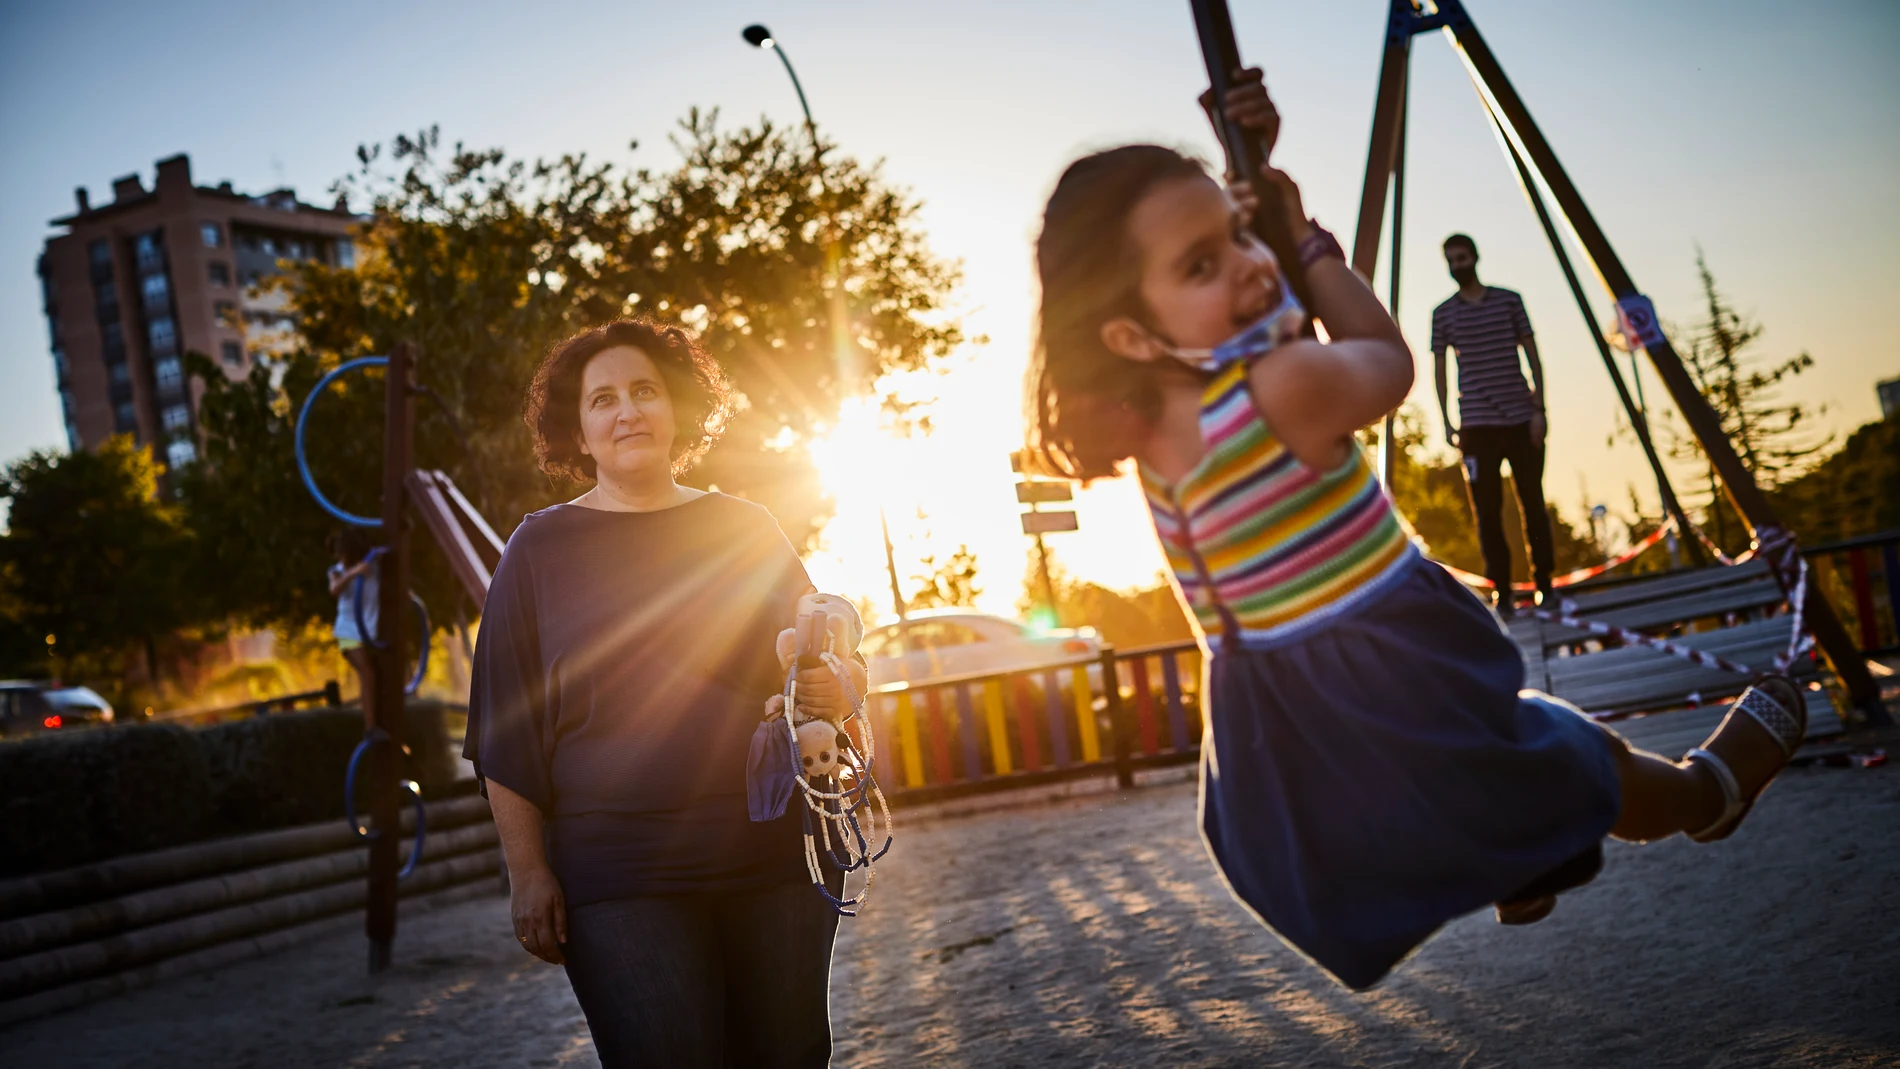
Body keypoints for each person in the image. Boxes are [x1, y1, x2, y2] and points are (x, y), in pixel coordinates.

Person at [1021, 69, 1809, 991]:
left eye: (1237, 234)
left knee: (1502, 765)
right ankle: (1703, 796)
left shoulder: (1152, 433)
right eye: (1201, 262)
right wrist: (1304, 240)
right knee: (1573, 753)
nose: (1243, 263)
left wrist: (1255, 175)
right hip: (1390, 675)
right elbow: (1386, 362)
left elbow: (1252, 319)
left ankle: (1514, 852)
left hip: (1290, 733)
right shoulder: (1285, 389)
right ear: (1129, 333)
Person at [465, 318, 867, 1067]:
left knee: (788, 1056)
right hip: (617, 866)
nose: (628, 412)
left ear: (677, 406)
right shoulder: (536, 550)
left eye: (646, 390)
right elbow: (500, 731)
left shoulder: (745, 528)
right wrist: (528, 871)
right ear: (578, 432)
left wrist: (829, 678)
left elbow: (838, 677)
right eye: (604, 399)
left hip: (770, 847)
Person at [1431, 233, 1554, 614]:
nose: (1458, 266)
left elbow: (1533, 353)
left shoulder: (1508, 300)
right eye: (1451, 260)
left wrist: (1540, 410)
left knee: (1532, 502)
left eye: (1462, 258)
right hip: (1476, 426)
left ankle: (1545, 585)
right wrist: (1447, 422)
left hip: (1519, 418)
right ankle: (1503, 590)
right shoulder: (1443, 314)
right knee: (1487, 512)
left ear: (1476, 258)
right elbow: (1439, 368)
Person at [326, 527, 378, 698]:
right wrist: (353, 573)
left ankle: (375, 722)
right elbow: (334, 590)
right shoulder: (337, 571)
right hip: (348, 631)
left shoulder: (374, 565)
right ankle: (371, 725)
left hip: (370, 630)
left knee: (376, 677)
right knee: (368, 674)